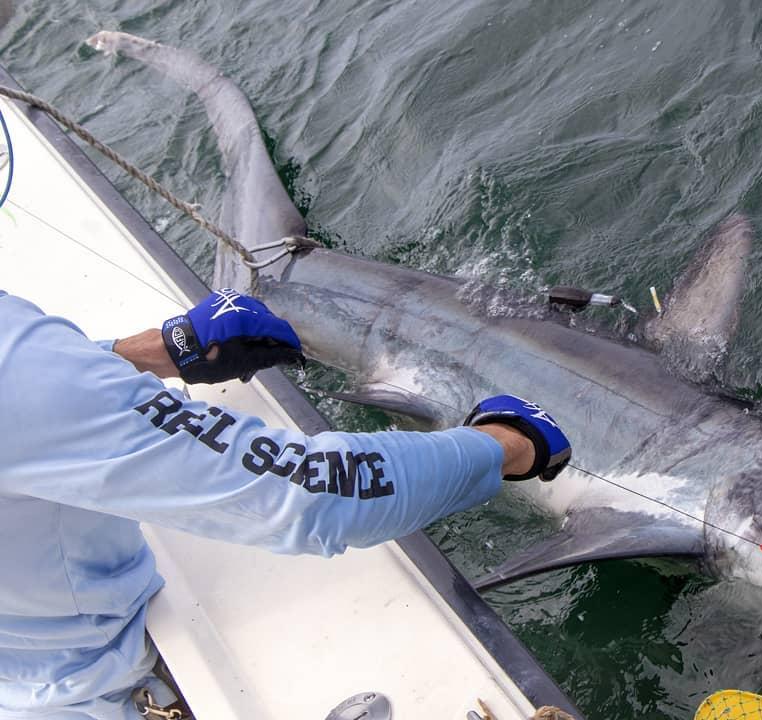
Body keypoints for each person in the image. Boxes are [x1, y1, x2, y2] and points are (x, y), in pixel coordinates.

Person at [0, 287, 571, 720]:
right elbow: (315, 493)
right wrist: (509, 444)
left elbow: (34, 403)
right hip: (90, 695)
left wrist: (147, 354)